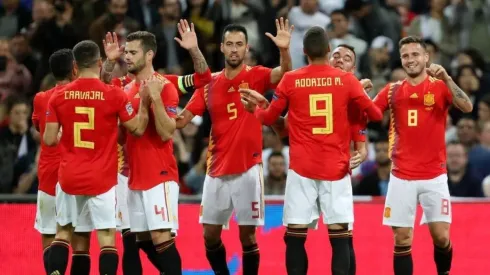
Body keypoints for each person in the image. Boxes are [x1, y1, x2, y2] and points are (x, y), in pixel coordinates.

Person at [239, 26, 383, 275]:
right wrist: (359, 95)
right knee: (340, 238)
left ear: (304, 51)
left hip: (302, 169)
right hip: (336, 168)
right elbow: (376, 115)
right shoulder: (347, 80)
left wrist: (257, 110)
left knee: (295, 236)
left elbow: (272, 118)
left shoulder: (291, 79)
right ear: (328, 51)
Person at [176, 18, 293, 275]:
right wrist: (159, 107)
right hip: (216, 169)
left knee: (248, 237)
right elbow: (182, 120)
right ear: (221, 47)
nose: (234, 49)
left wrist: (284, 50)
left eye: (239, 44)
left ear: (247, 48)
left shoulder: (257, 75)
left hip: (248, 168)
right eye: (229, 44)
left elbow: (284, 74)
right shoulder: (208, 84)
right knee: (209, 236)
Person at [101, 20, 210, 275]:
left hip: (158, 174)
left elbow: (166, 132)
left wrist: (193, 51)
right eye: (125, 52)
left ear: (149, 54)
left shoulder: (166, 84)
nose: (126, 57)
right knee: (139, 241)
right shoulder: (124, 87)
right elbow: (103, 85)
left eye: (132, 52)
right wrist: (108, 61)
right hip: (131, 176)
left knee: (161, 238)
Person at [44, 40, 149, 275]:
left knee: (63, 232)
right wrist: (144, 105)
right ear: (100, 62)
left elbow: (49, 140)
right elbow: (137, 130)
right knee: (106, 237)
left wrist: (65, 133)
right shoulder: (114, 95)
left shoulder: (58, 97)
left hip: (70, 176)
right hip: (102, 178)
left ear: (74, 66)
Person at [373, 36, 473, 275]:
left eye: (415, 54)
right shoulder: (391, 91)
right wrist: (359, 93)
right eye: (405, 56)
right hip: (400, 175)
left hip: (434, 176)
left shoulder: (440, 86)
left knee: (440, 237)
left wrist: (447, 78)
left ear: (426, 57)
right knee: (402, 238)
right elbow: (370, 113)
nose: (410, 60)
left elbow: (467, 107)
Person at [32, 49, 96, 275]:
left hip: (48, 175)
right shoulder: (86, 96)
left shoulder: (41, 98)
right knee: (81, 241)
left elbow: (39, 127)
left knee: (50, 236)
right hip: (77, 173)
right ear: (75, 69)